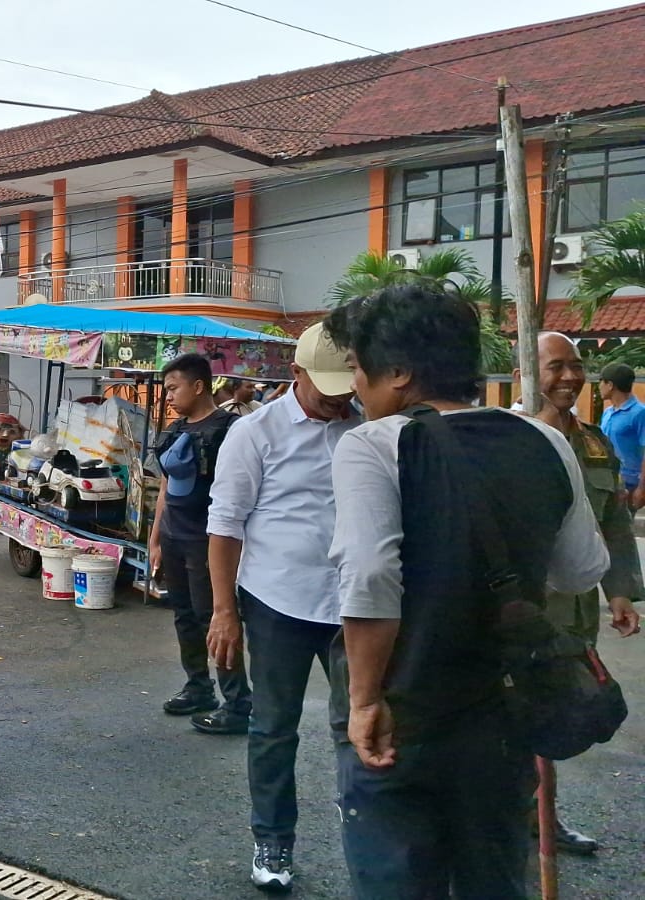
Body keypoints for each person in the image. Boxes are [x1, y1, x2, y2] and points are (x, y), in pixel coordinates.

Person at [324, 286, 608, 899]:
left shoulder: (375, 445)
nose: (354, 386)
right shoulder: (545, 440)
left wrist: (366, 699)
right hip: (504, 710)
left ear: (397, 371)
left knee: (398, 881)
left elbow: (371, 576)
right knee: (495, 879)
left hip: (405, 709)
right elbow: (582, 570)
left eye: (356, 368)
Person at [205, 322, 359, 892]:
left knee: (358, 722)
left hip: (354, 606)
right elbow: (224, 525)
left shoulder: (365, 427)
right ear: (295, 375)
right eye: (326, 389)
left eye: (346, 387)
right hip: (277, 602)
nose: (338, 399)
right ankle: (273, 838)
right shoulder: (255, 433)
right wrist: (225, 612)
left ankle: (362, 819)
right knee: (273, 728)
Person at [518, 333, 643, 854]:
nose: (569, 377)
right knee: (513, 715)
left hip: (575, 613)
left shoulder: (595, 442)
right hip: (521, 611)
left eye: (577, 366)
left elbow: (613, 522)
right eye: (555, 367)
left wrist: (619, 592)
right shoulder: (513, 440)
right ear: (530, 371)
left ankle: (543, 820)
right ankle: (510, 816)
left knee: (557, 711)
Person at [150, 353, 249, 734]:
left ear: (198, 385)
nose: (169, 396)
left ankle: (238, 702)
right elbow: (164, 489)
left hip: (210, 542)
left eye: (173, 388)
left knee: (216, 619)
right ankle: (198, 686)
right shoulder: (175, 431)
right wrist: (155, 540)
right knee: (185, 616)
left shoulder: (231, 429)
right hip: (175, 537)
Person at [598, 361, 645, 510]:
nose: (599, 387)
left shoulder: (639, 413)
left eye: (601, 382)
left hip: (629, 483)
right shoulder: (607, 413)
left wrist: (642, 488)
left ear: (610, 385)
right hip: (607, 480)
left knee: (624, 529)